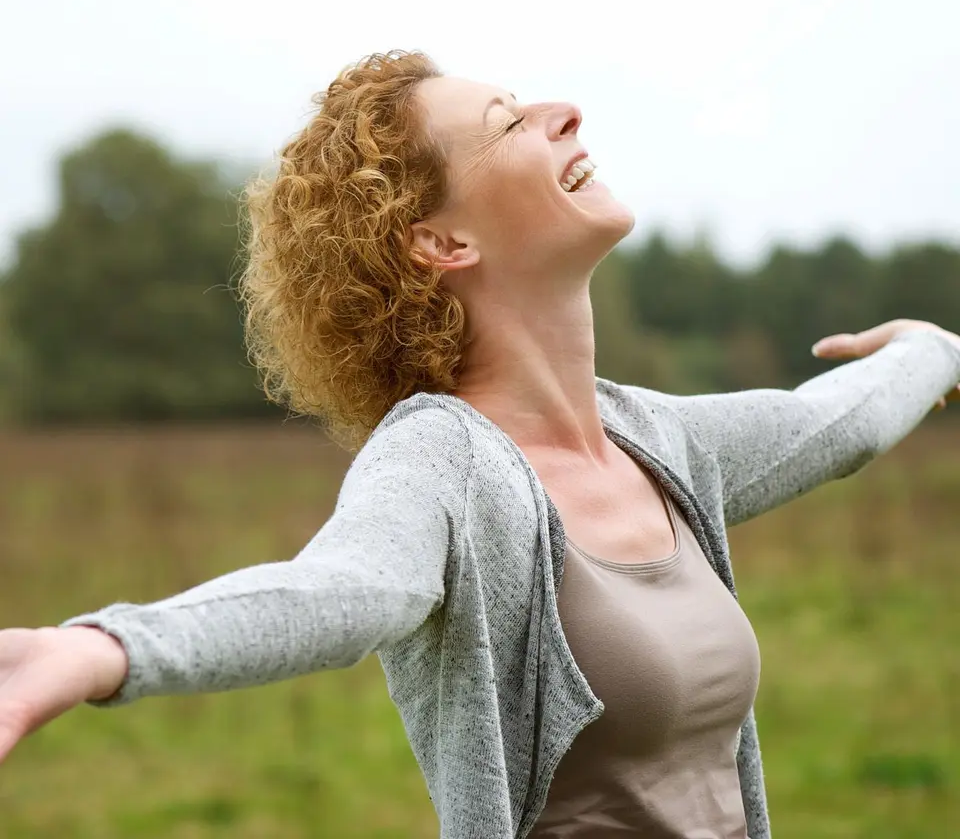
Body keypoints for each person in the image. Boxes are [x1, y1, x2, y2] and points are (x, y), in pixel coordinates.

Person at [0, 50, 958, 839]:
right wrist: (98, 649)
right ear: (439, 243)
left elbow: (839, 423)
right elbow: (346, 589)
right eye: (509, 122)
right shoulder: (443, 463)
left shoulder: (657, 438)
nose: (564, 111)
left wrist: (928, 348)